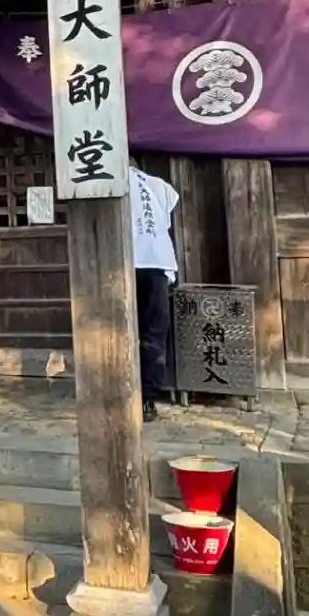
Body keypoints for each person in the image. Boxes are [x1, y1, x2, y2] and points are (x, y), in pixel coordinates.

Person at [130, 159, 179, 422]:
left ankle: (123, 393)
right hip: (157, 263)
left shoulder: (110, 180)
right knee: (154, 334)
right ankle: (147, 400)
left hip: (126, 261)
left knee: (120, 330)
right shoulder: (158, 185)